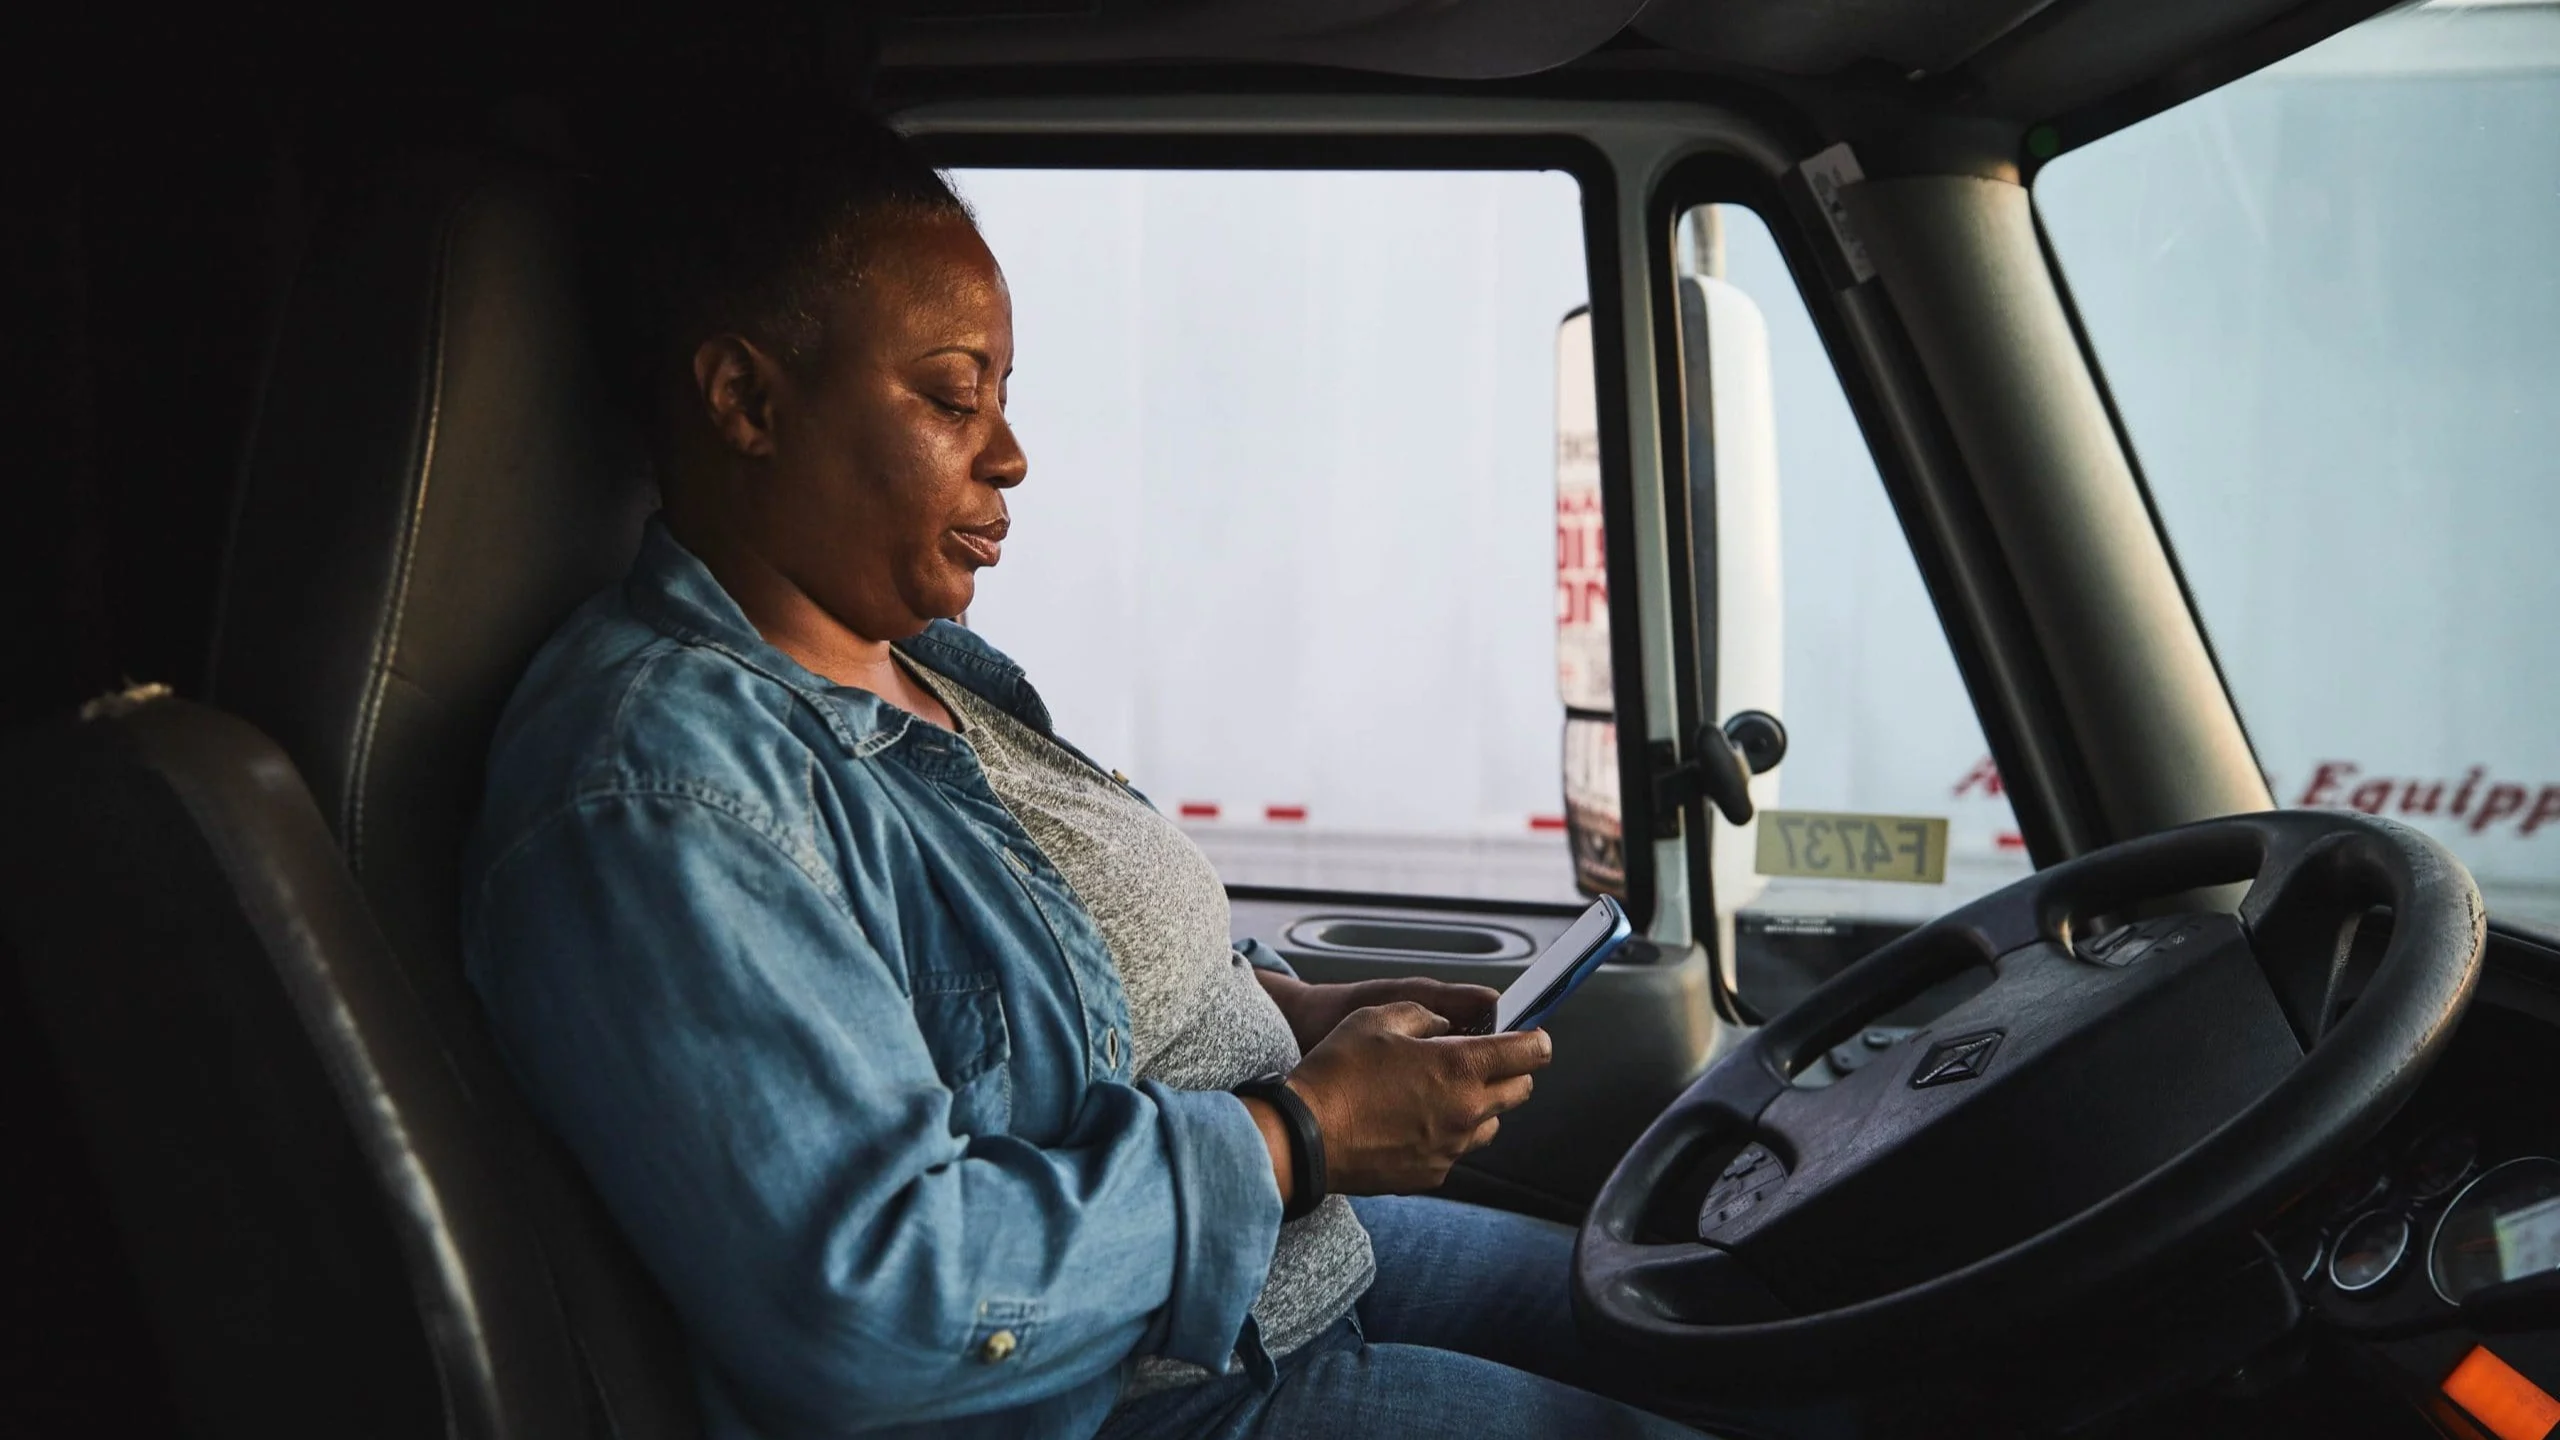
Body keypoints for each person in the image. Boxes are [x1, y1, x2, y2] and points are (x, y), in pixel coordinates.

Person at [461, 114, 1709, 1440]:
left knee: (1725, 1323)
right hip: (1133, 1397)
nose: (1008, 456)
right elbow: (883, 1303)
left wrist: (1305, 1013)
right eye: (952, 399)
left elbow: (1045, 1009)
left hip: (1275, 1284)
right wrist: (1301, 1136)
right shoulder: (662, 796)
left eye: (1003, 401)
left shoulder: (932, 667)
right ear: (749, 401)